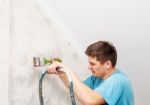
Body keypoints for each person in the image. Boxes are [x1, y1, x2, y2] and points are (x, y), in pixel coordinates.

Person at [48, 41, 134, 105]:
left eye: (92, 64)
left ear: (107, 64)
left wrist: (68, 70)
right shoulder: (96, 78)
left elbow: (89, 100)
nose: (89, 67)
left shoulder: (118, 81)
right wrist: (62, 72)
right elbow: (76, 88)